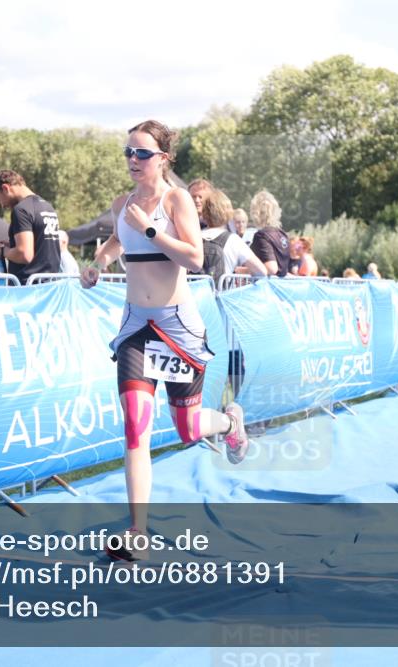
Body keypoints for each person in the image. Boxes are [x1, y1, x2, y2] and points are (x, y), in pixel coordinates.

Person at [79, 120, 249, 561]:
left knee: (188, 430)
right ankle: (138, 532)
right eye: (128, 153)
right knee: (135, 425)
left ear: (163, 159)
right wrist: (98, 261)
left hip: (176, 328)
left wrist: (153, 230)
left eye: (142, 154)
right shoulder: (122, 203)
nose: (133, 161)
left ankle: (230, 423)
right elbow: (118, 239)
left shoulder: (175, 200)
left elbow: (195, 258)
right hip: (136, 325)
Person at [0, 169, 61, 285]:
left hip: (27, 289)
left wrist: (1, 251)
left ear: (6, 188)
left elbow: (25, 254)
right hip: (49, 285)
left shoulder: (21, 210)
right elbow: (40, 246)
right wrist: (10, 245)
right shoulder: (47, 206)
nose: (2, 205)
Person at [201, 190, 267, 276]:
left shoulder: (195, 236)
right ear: (228, 213)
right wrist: (242, 271)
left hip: (195, 289)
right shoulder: (234, 240)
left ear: (204, 213)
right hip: (223, 289)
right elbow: (261, 271)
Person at [249, 190, 290, 277]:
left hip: (266, 287)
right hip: (280, 287)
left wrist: (242, 270)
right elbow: (283, 269)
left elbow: (271, 268)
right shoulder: (282, 234)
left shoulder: (261, 236)